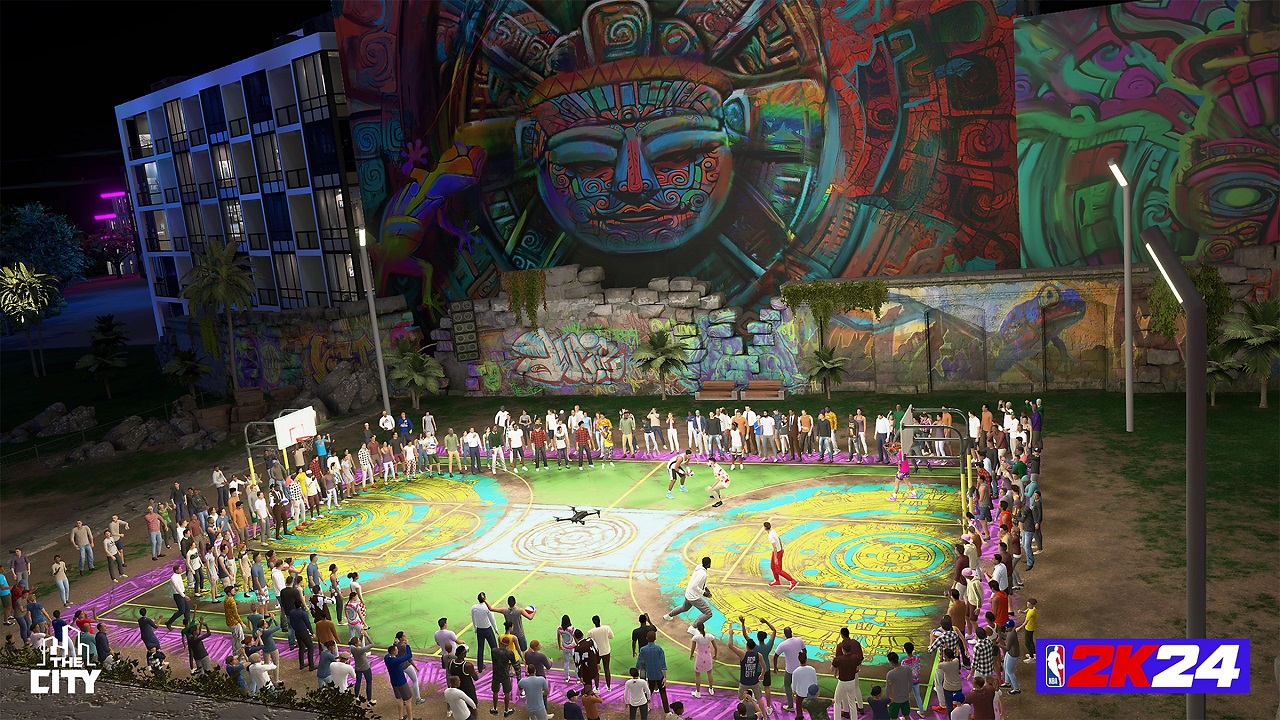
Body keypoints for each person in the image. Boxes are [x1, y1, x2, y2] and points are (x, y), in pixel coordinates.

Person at [663, 556, 713, 631]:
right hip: (694, 597)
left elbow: (699, 581)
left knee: (684, 608)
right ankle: (693, 628)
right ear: (708, 564)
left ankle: (668, 616)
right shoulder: (703, 573)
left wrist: (705, 587)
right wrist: (703, 593)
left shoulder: (699, 567)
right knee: (708, 613)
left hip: (689, 594)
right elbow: (694, 586)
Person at [832, 628, 864, 717]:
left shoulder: (840, 646)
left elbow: (837, 662)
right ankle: (860, 707)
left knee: (843, 693)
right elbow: (860, 658)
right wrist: (857, 667)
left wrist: (835, 673)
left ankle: (845, 710)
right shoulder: (856, 643)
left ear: (842, 635)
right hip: (854, 671)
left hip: (844, 673)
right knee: (856, 688)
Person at [636, 631, 670, 714]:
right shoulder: (659, 649)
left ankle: (644, 707)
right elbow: (663, 663)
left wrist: (636, 674)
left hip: (650, 675)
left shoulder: (643, 649)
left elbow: (639, 663)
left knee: (649, 692)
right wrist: (665, 677)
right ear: (655, 638)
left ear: (646, 638)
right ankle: (667, 712)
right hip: (659, 675)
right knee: (663, 693)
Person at [385, 641, 416, 720]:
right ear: (394, 652)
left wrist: (394, 644)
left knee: (399, 699)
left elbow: (389, 652)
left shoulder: (386, 658)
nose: (397, 650)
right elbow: (409, 655)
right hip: (401, 682)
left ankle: (400, 717)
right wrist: (407, 645)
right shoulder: (396, 661)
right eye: (396, 649)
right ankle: (410, 718)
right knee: (408, 699)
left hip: (394, 682)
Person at [764, 521, 798, 590]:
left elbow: (775, 547)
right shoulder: (773, 531)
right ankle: (777, 581)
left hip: (777, 553)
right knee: (772, 567)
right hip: (777, 551)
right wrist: (781, 548)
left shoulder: (770, 536)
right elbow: (779, 539)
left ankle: (792, 581)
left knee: (778, 570)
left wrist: (775, 558)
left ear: (765, 528)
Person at [470, 591, 499, 673]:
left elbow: (473, 619)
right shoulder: (487, 608)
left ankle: (480, 666)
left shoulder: (474, 608)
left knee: (480, 648)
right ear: (485, 598)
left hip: (479, 629)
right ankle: (496, 665)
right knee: (494, 647)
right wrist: (495, 629)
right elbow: (492, 619)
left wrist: (475, 628)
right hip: (487, 629)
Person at [491, 635, 519, 717]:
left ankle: (495, 708)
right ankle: (506, 710)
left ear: (500, 643)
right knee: (507, 692)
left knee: (495, 691)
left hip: (496, 674)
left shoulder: (494, 651)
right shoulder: (509, 653)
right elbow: (514, 663)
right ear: (508, 645)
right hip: (505, 674)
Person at [689, 621, 717, 698]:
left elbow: (693, 648)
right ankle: (711, 689)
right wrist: (715, 655)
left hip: (700, 658)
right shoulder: (710, 636)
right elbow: (715, 647)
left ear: (698, 629)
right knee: (709, 672)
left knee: (697, 674)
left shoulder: (696, 637)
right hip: (708, 657)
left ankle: (698, 692)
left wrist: (691, 655)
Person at [588, 614, 616, 690]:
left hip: (596, 653)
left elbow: (590, 642)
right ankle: (609, 687)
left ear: (593, 622)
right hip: (606, 651)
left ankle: (597, 688)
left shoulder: (591, 632)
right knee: (607, 668)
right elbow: (611, 636)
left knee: (596, 670)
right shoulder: (606, 628)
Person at [349, 630, 376, 705]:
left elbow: (358, 642)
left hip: (358, 668)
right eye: (359, 641)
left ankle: (356, 696)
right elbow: (372, 644)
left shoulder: (352, 648)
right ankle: (369, 700)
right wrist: (367, 636)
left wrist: (361, 635)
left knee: (358, 681)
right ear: (356, 643)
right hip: (365, 668)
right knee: (369, 682)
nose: (360, 641)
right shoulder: (360, 650)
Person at [884, 651, 913, 719]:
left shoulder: (890, 674)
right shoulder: (907, 669)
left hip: (895, 701)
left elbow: (888, 688)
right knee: (906, 716)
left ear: (891, 661)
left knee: (893, 718)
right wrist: (909, 692)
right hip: (905, 698)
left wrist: (887, 700)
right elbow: (910, 682)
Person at [574, 628, 602, 693]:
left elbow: (577, 663)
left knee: (587, 686)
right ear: (582, 635)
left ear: (575, 638)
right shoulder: (591, 641)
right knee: (596, 675)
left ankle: (588, 696)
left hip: (585, 670)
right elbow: (597, 651)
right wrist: (598, 663)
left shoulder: (577, 649)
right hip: (593, 665)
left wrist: (580, 675)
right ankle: (597, 688)